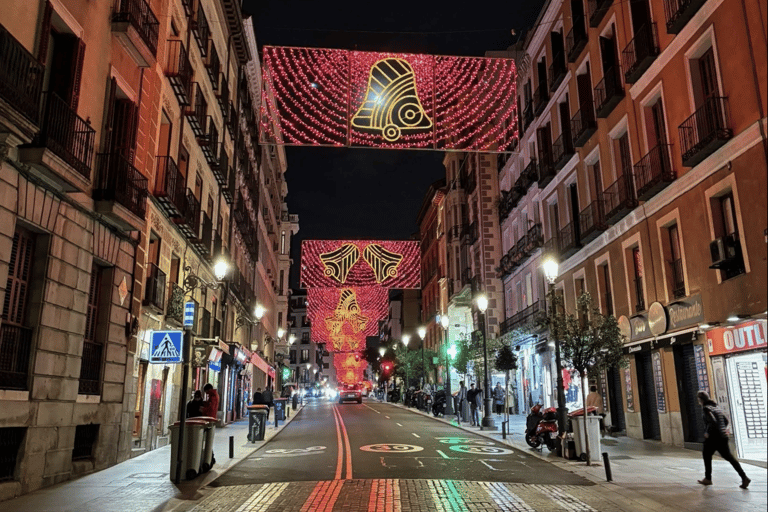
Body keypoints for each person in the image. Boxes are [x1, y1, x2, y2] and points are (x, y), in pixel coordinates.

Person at [696, 391, 749, 488]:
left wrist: (707, 432)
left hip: (713, 437)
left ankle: (708, 478)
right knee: (729, 457)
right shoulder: (716, 407)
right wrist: (722, 429)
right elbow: (725, 420)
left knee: (706, 455)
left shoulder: (706, 408)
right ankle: (744, 477)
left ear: (700, 400)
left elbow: (712, 421)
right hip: (722, 437)